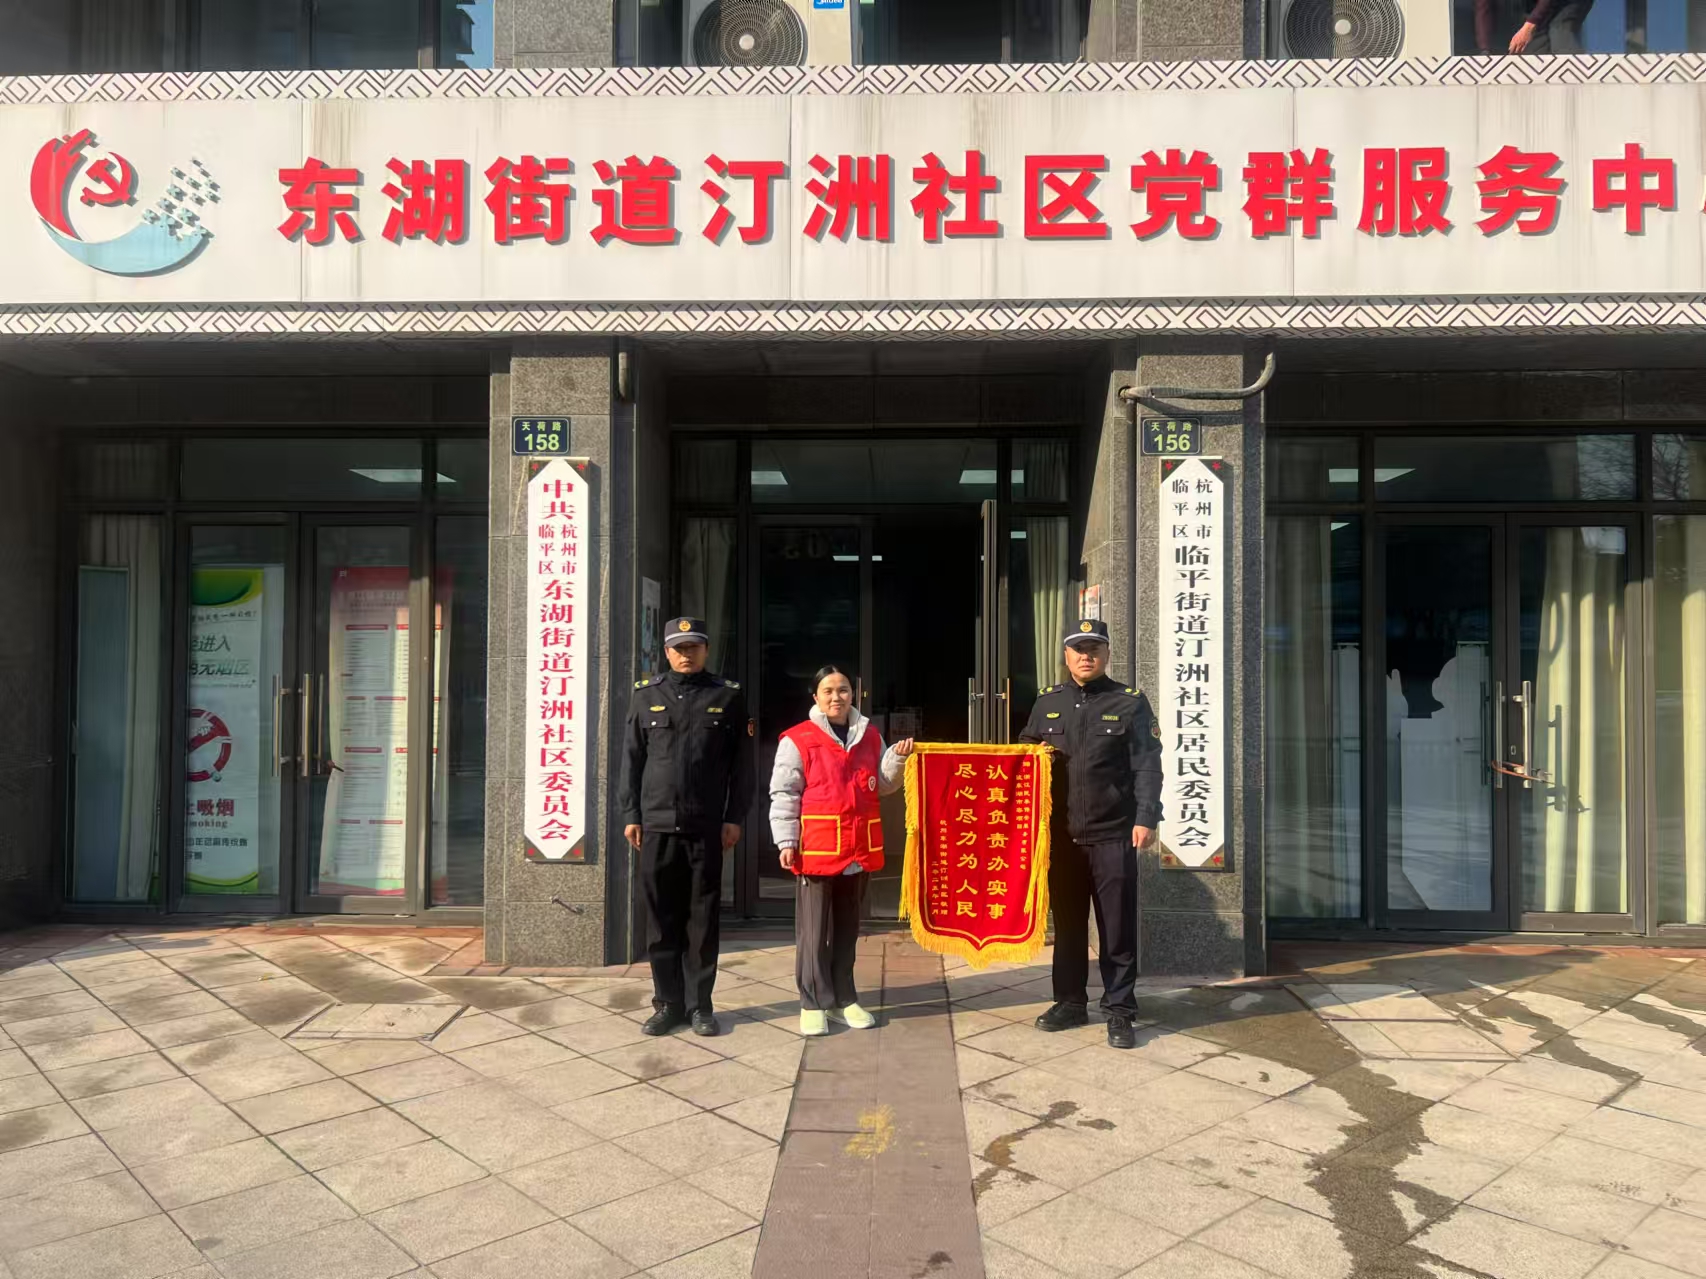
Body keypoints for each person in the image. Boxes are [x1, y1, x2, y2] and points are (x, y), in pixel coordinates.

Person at [1019, 620, 1162, 1050]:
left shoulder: (1130, 702)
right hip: (1062, 838)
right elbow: (1024, 754)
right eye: (1079, 649)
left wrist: (1146, 817)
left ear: (1106, 655)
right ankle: (1069, 1002)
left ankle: (1119, 1009)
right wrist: (1033, 754)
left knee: (1116, 927)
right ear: (1066, 656)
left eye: (1094, 649)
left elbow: (1147, 765)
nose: (1087, 656)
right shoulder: (1048, 702)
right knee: (1067, 926)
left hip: (1113, 833)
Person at [620, 617, 754, 1037]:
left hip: (705, 826)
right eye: (678, 648)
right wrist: (631, 815)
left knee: (702, 920)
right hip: (656, 826)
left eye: (694, 646)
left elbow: (742, 766)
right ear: (666, 651)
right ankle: (667, 1003)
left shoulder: (727, 696)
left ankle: (700, 1006)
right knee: (661, 920)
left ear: (706, 650)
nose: (686, 654)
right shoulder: (646, 695)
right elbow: (631, 760)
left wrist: (734, 817)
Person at [769, 665, 914, 1036]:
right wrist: (786, 840)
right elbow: (785, 793)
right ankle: (813, 1001)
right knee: (814, 932)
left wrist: (897, 760)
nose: (837, 697)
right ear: (816, 697)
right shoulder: (798, 739)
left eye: (844, 690)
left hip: (857, 847)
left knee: (849, 929)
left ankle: (844, 998)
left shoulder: (869, 735)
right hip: (817, 848)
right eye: (829, 691)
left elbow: (882, 785)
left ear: (854, 694)